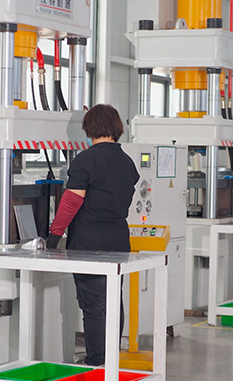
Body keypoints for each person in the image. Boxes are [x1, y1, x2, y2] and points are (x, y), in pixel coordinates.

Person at [46, 104, 140, 366]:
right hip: (119, 241)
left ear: (90, 128)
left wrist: (54, 236)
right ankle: (111, 359)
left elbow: (70, 203)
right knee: (113, 299)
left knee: (94, 304)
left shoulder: (86, 160)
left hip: (89, 243)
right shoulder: (127, 161)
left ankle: (97, 362)